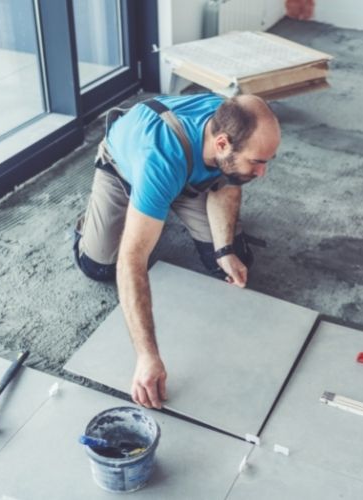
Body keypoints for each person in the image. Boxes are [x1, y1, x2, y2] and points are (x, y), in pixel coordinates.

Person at [73, 92, 281, 409]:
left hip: (186, 176)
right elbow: (133, 261)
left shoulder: (232, 121)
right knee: (99, 266)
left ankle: (155, 210)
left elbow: (229, 179)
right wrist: (147, 356)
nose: (263, 172)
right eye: (257, 162)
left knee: (231, 260)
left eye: (267, 162)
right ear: (222, 143)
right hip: (125, 169)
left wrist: (225, 249)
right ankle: (95, 223)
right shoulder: (159, 160)